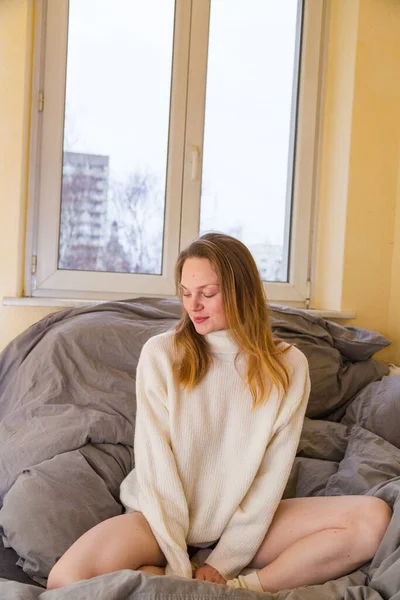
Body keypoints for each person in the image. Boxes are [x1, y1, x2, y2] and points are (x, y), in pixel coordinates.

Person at [47, 233, 392, 592]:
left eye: (208, 294)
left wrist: (223, 564)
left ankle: (241, 591)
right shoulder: (162, 353)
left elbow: (271, 474)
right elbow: (156, 465)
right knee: (64, 580)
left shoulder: (289, 364)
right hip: (157, 520)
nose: (193, 305)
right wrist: (180, 567)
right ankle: (179, 577)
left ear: (241, 292)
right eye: (185, 293)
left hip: (245, 528)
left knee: (373, 519)